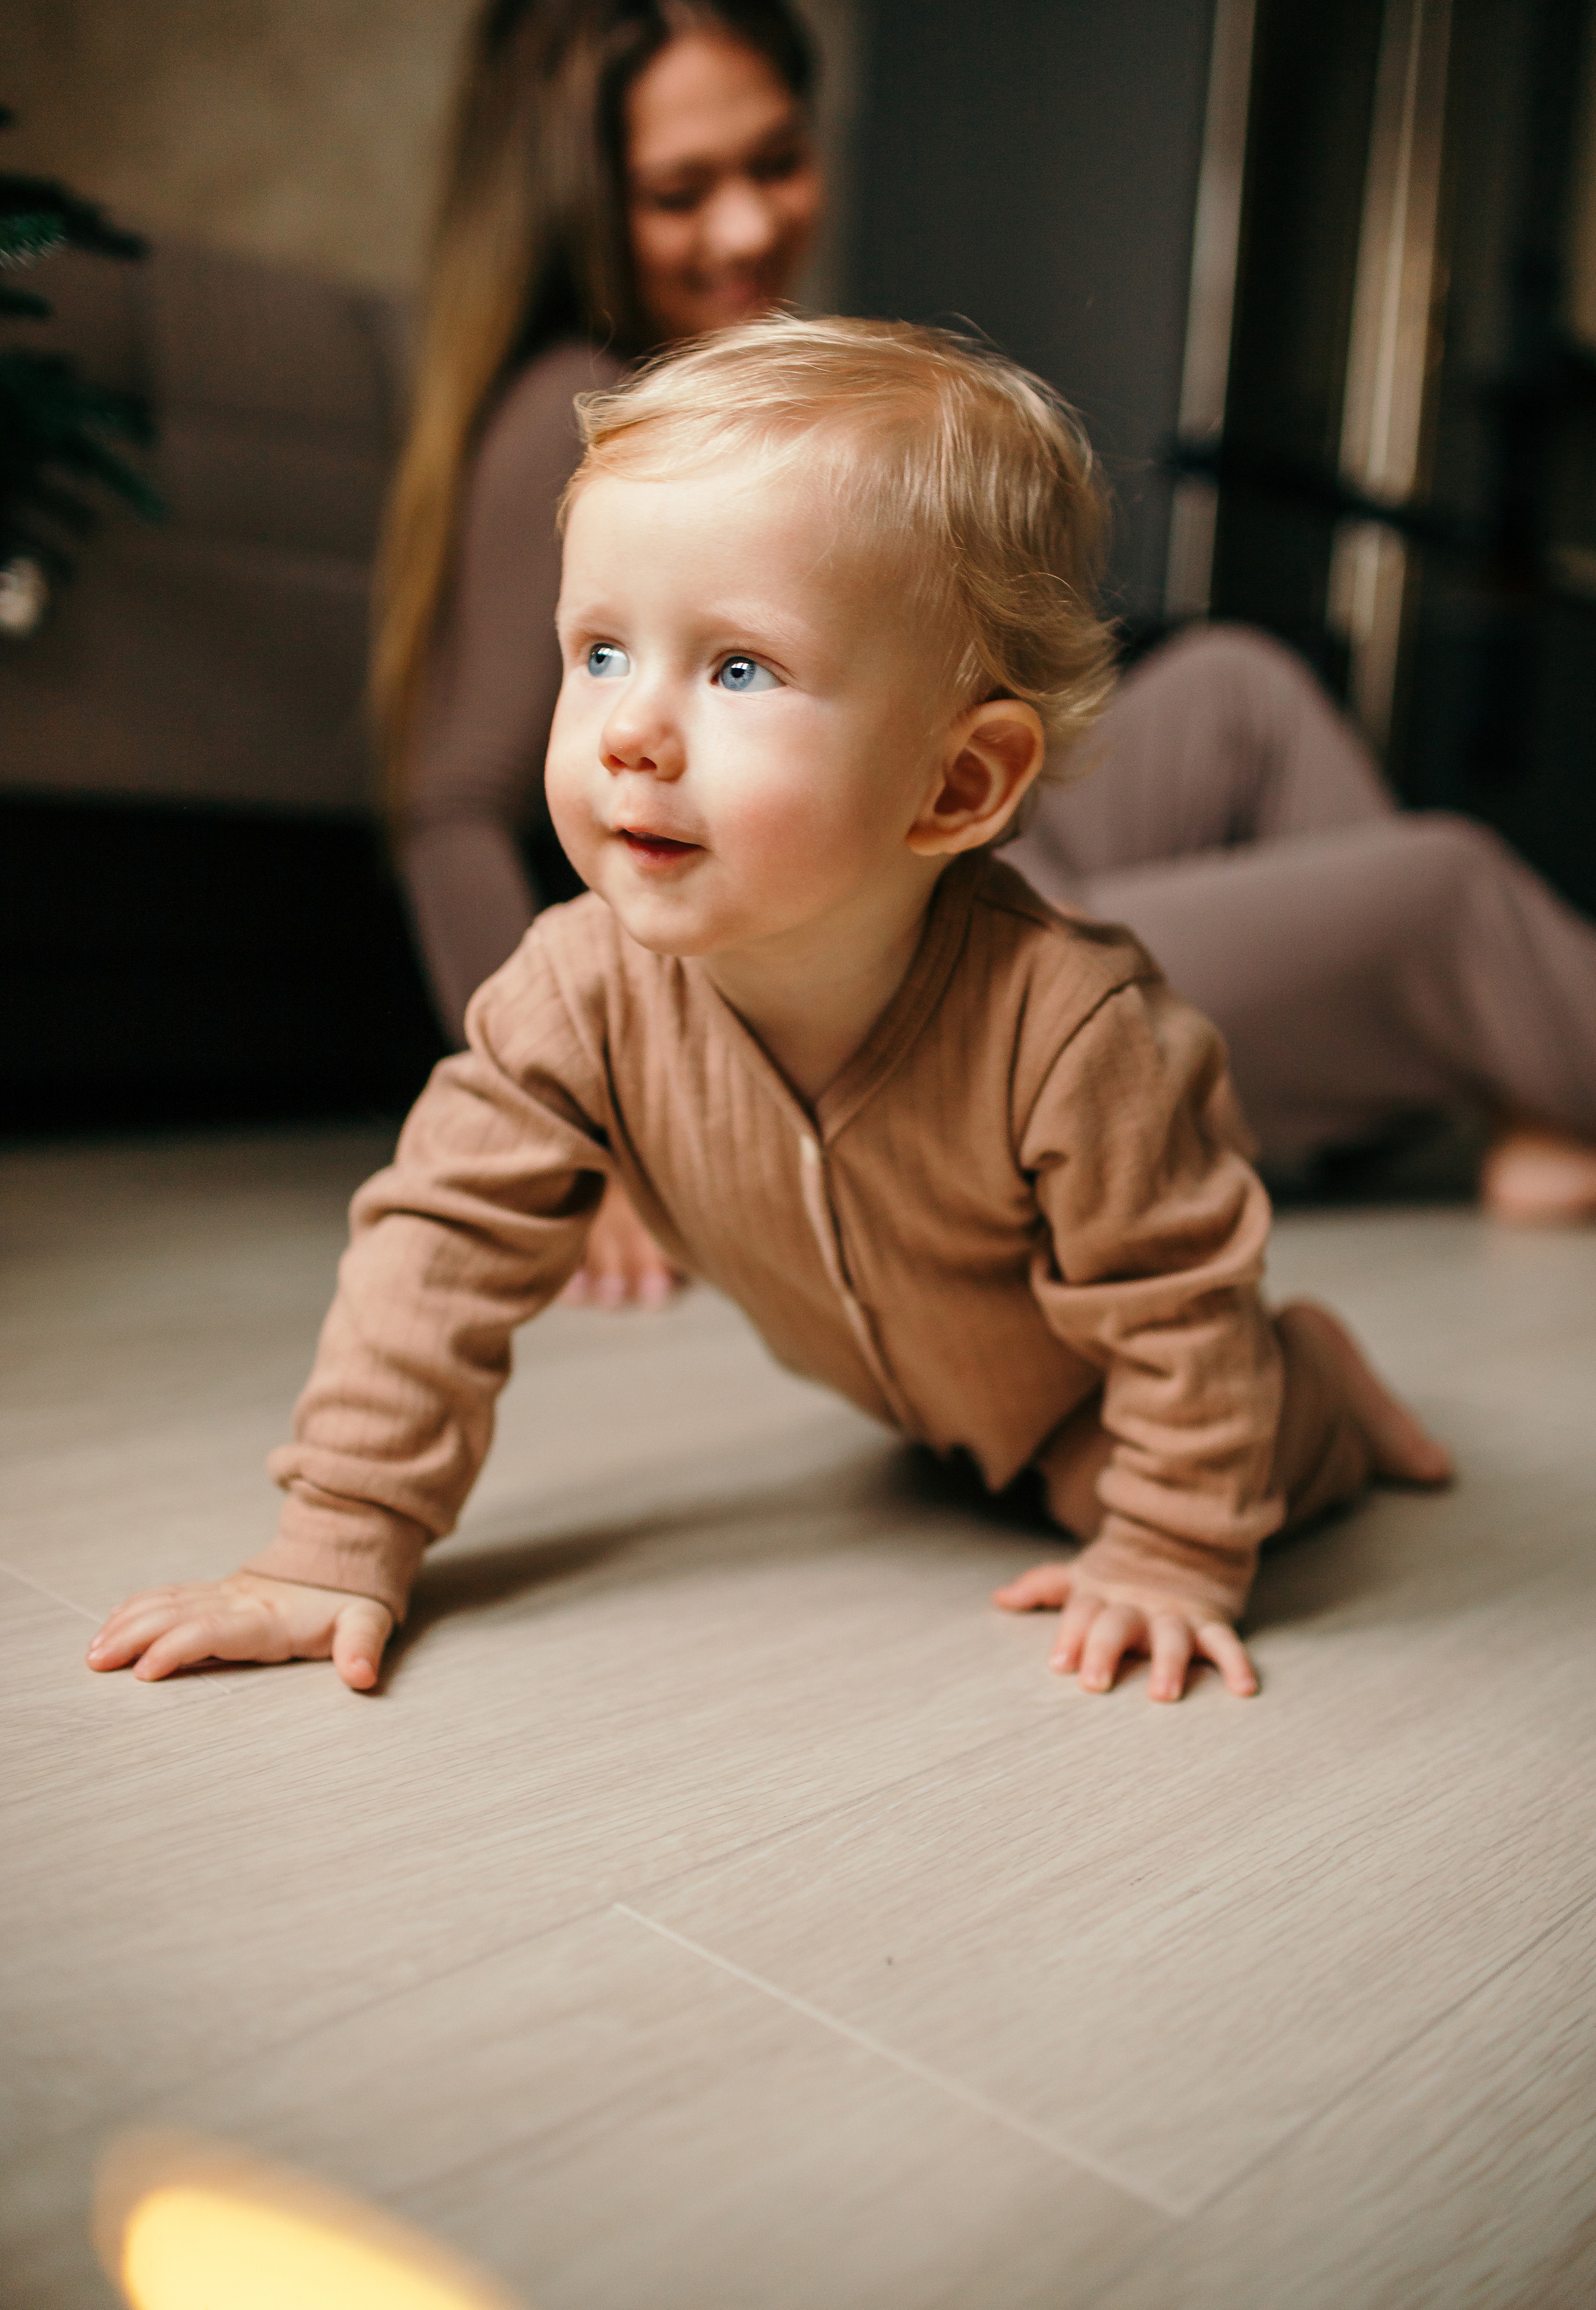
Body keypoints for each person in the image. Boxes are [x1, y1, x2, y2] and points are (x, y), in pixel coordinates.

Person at [87, 318, 1450, 1708]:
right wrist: (336, 1542)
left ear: (958, 788)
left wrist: (1168, 1553)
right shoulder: (572, 991)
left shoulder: (1072, 1034)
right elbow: (436, 1252)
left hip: (1073, 1397)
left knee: (1122, 1483)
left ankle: (1316, 1396)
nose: (628, 729)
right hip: (911, 1395)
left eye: (736, 669)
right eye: (600, 652)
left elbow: (1170, 1312)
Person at [376, 0, 826, 1301]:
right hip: (896, 999)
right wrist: (577, 1138)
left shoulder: (714, 394)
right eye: (680, 193)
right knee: (1437, 901)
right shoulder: (572, 417)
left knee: (1232, 695)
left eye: (779, 161)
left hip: (949, 882)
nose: (748, 225)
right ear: (575, 203)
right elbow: (444, 805)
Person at [1002, 624, 1596, 1220]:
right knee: (1444, 893)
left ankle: (1520, 1111)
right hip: (950, 966)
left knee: (1237, 687)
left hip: (978, 848)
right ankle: (1468, 1063)